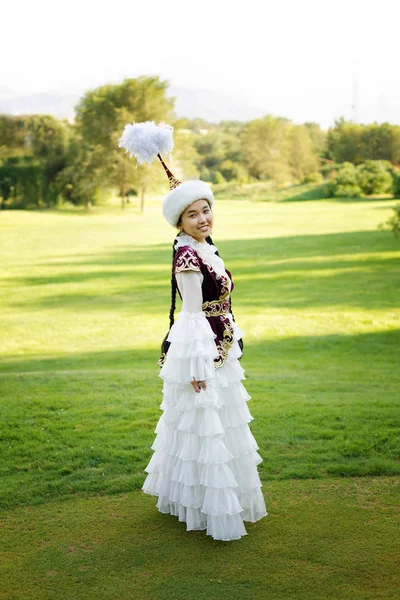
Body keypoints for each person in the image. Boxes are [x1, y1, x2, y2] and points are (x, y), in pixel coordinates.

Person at [118, 121, 268, 541]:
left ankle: (206, 499)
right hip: (202, 351)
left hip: (222, 346)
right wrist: (198, 363)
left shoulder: (206, 248)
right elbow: (190, 313)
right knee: (203, 425)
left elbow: (219, 304)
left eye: (206, 209)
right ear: (179, 221)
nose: (203, 218)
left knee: (219, 424)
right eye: (193, 213)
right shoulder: (186, 255)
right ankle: (205, 508)